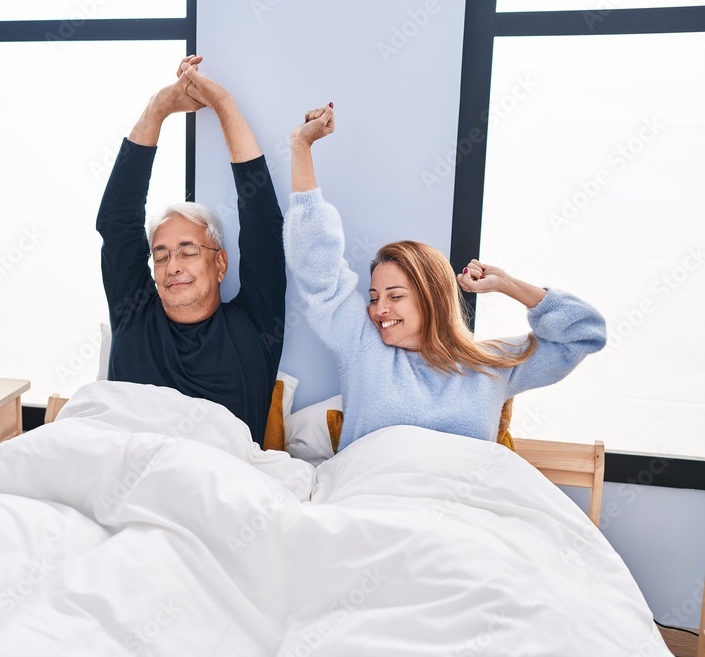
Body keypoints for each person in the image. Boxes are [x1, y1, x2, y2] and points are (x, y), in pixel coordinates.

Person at [283, 104, 606, 452]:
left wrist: (507, 284)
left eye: (394, 296)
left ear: (431, 297)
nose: (378, 310)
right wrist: (301, 146)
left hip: (461, 499)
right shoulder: (363, 347)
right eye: (374, 297)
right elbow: (319, 265)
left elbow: (584, 334)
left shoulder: (489, 365)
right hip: (374, 495)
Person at [96, 57, 285, 446]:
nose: (172, 265)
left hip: (212, 486)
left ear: (220, 263)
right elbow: (117, 220)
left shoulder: (254, 325)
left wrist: (223, 104)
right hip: (121, 476)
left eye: (187, 251)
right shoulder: (133, 315)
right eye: (161, 255)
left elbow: (262, 225)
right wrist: (158, 109)